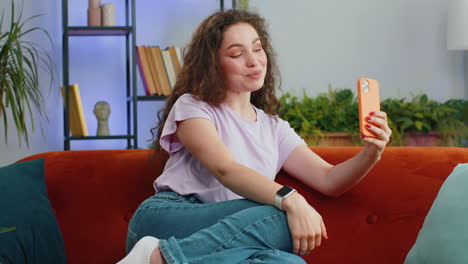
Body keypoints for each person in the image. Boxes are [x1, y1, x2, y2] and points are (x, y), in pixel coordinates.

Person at [118, 8, 391, 264]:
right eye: (237, 54)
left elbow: (329, 180)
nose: (254, 61)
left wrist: (372, 152)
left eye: (258, 49)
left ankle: (164, 259)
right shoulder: (193, 106)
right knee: (281, 218)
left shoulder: (274, 128)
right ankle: (155, 257)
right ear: (213, 64)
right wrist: (291, 198)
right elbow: (225, 169)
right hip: (167, 219)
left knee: (290, 262)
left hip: (226, 238)